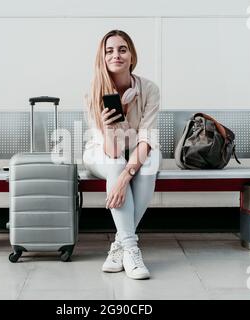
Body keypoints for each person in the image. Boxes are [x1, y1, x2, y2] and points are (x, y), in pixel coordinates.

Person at [83, 30, 161, 280]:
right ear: (103, 57)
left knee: (149, 163)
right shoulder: (94, 92)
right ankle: (131, 248)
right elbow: (112, 152)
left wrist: (125, 178)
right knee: (116, 164)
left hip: (135, 150)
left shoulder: (149, 89)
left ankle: (120, 246)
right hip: (101, 152)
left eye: (122, 49)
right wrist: (108, 127)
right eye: (110, 50)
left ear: (131, 55)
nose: (116, 54)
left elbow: (146, 139)